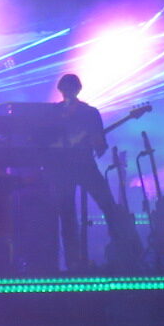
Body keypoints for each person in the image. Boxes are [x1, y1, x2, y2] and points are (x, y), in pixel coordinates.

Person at [49, 73, 136, 269]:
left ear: (77, 90)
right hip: (63, 168)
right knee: (67, 213)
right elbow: (44, 140)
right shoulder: (53, 113)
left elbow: (100, 145)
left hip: (84, 165)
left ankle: (121, 251)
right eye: (65, 88)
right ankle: (73, 261)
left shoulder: (90, 113)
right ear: (61, 90)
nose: (68, 92)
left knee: (107, 204)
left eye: (71, 88)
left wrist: (97, 142)